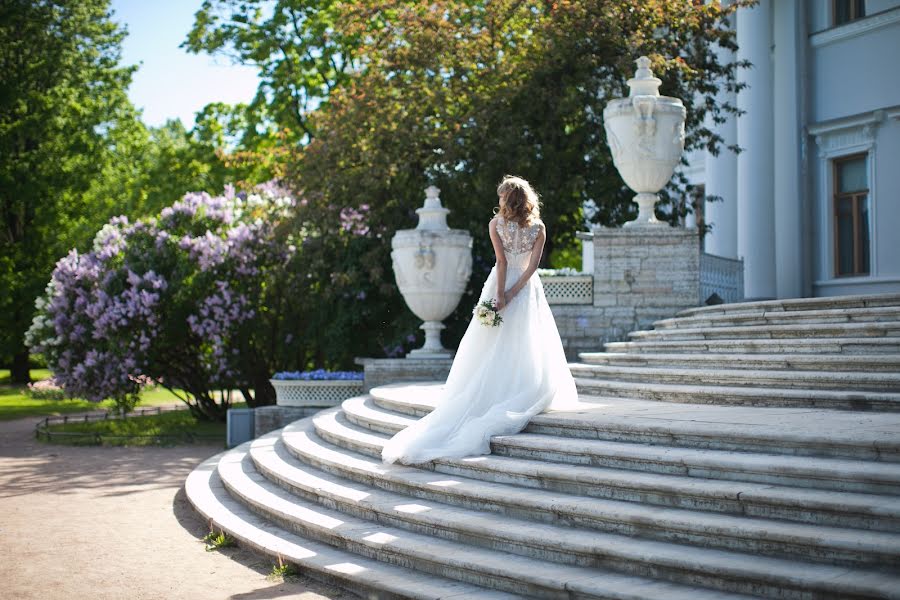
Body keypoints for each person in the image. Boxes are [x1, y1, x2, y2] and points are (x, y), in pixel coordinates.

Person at [381, 175, 578, 465]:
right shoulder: (538, 228)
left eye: (501, 197)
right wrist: (513, 292)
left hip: (499, 285)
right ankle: (519, 386)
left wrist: (501, 294)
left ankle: (494, 389)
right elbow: (533, 267)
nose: (498, 202)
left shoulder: (496, 224)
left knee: (490, 342)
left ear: (507, 200)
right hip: (526, 289)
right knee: (525, 339)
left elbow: (501, 262)